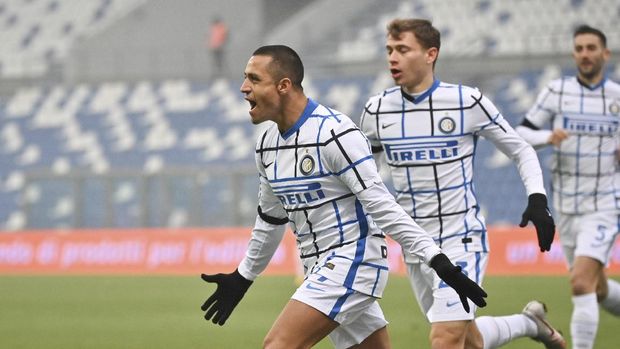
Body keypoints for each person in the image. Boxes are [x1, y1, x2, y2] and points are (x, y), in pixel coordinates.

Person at [200, 44, 487, 349]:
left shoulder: (335, 133)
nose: (244, 88)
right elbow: (270, 219)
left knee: (278, 345)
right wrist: (243, 276)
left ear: (283, 86)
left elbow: (382, 205)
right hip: (319, 269)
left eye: (254, 79)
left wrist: (437, 259)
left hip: (354, 260)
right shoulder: (267, 145)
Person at [359, 18, 565, 349]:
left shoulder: (466, 101)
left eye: (402, 49)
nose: (392, 58)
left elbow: (522, 150)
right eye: (389, 50)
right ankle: (530, 323)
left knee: (445, 337)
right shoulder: (377, 110)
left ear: (430, 54)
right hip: (417, 247)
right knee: (470, 341)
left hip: (461, 237)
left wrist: (538, 199)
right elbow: (363, 176)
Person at [516, 24, 620, 349]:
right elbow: (520, 132)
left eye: (591, 48)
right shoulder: (557, 91)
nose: (585, 54)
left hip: (605, 203)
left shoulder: (617, 96)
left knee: (579, 284)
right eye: (579, 49)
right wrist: (547, 137)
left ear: (605, 53)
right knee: (596, 287)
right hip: (566, 205)